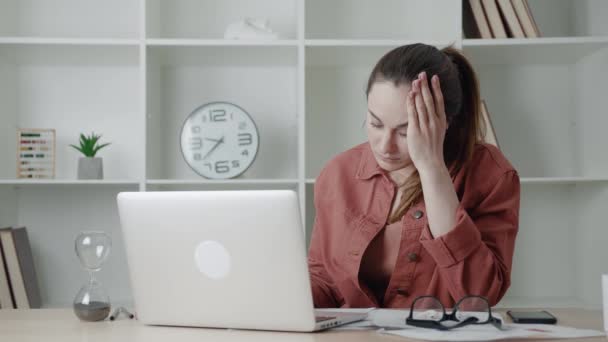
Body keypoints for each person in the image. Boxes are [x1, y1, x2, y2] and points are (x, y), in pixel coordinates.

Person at [307, 43, 520, 309]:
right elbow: (324, 279)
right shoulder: (338, 173)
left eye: (405, 132)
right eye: (375, 123)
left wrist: (432, 168)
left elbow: (479, 296)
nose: (385, 146)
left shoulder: (490, 173)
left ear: (446, 122)